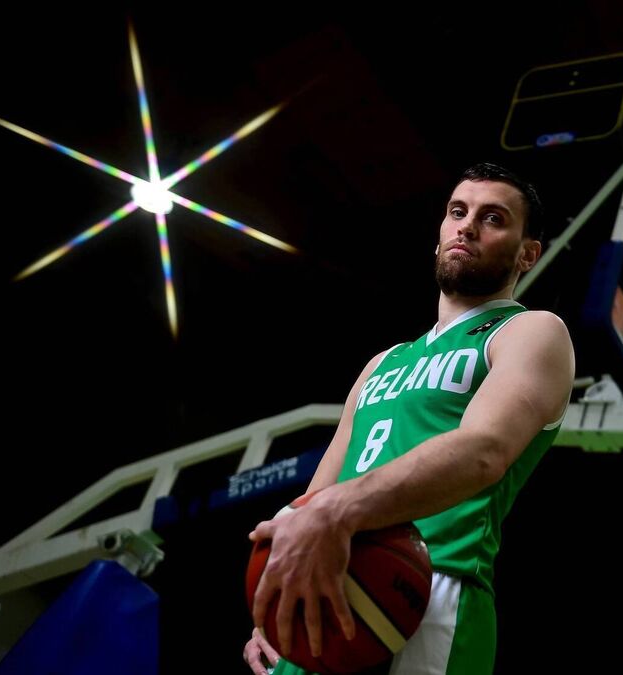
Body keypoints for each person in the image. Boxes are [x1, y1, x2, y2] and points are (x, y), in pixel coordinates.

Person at [243, 162, 575, 675]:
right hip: (327, 582)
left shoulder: (530, 331)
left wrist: (337, 512)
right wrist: (273, 594)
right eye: (458, 212)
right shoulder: (383, 362)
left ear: (527, 253)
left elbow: (483, 450)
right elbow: (316, 495)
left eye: (493, 218)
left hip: (430, 589)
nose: (468, 226)